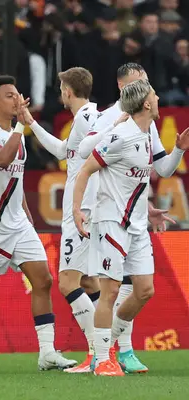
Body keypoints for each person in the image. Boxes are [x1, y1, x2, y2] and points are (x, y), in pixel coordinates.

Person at [0, 75, 77, 374]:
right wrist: (22, 125)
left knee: (43, 280)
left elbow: (13, 180)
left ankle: (47, 353)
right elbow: (4, 161)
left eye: (18, 94)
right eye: (9, 96)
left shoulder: (17, 136)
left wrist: (26, 212)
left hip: (18, 223)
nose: (17, 99)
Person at [72, 79, 189, 376]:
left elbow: (139, 181)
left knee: (145, 290)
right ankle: (102, 360)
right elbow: (85, 170)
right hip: (111, 222)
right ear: (146, 104)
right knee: (109, 291)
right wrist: (77, 210)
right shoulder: (121, 136)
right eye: (155, 93)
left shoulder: (146, 134)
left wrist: (177, 151)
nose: (159, 96)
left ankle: (107, 343)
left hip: (137, 225)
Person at [20, 67, 121, 373]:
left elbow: (92, 144)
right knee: (90, 282)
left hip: (81, 213)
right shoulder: (85, 119)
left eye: (62, 87)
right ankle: (108, 351)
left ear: (67, 90)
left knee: (66, 283)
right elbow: (65, 151)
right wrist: (32, 124)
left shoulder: (88, 117)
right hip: (87, 211)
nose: (60, 92)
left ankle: (98, 353)